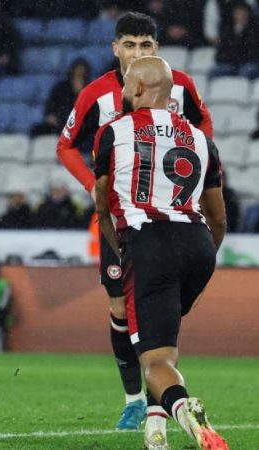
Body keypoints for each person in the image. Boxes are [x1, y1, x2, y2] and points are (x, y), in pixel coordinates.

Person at [56, 11, 213, 434]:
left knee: (153, 314)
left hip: (169, 220)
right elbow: (66, 145)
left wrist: (200, 176)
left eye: (145, 45)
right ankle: (134, 400)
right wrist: (94, 185)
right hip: (121, 217)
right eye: (130, 45)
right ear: (115, 48)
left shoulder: (180, 85)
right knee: (119, 307)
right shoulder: (96, 93)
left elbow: (204, 128)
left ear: (156, 48)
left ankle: (159, 404)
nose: (137, 52)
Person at [94, 56, 228, 450]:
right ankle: (156, 431)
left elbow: (103, 207)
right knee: (164, 346)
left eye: (125, 86)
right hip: (198, 243)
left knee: (153, 359)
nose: (121, 92)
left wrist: (127, 252)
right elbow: (219, 218)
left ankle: (184, 409)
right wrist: (202, 255)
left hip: (148, 241)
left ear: (136, 89)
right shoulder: (202, 139)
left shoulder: (113, 131)